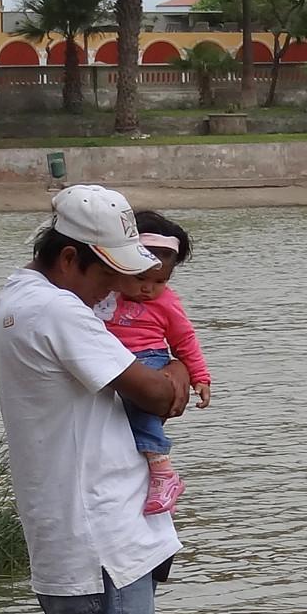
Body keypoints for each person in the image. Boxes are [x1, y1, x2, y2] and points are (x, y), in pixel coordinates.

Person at [0, 184, 190, 614]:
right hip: (104, 546)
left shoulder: (17, 296)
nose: (119, 289)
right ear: (67, 259)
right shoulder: (58, 311)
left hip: (68, 544)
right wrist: (177, 365)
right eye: (107, 275)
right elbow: (159, 397)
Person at [100, 210, 211, 516]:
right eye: (140, 278)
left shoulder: (165, 302)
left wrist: (199, 375)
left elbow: (184, 338)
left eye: (159, 281)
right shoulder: (106, 294)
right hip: (116, 358)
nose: (148, 288)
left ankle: (161, 465)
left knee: (141, 403)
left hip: (149, 357)